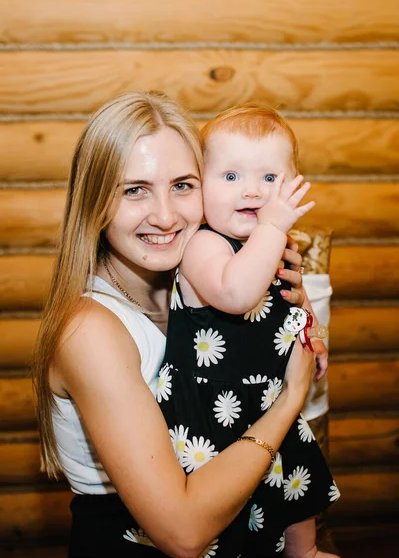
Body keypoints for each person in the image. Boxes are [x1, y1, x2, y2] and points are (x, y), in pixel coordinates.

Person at [32, 91, 316, 558]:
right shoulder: (90, 330)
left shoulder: (196, 286)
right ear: (94, 201)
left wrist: (296, 319)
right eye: (134, 189)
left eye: (183, 185)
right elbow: (182, 535)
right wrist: (289, 403)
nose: (165, 216)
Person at [159, 104, 340, 558]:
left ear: (294, 184)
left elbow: (288, 303)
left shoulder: (273, 244)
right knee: (233, 520)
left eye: (270, 179)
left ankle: (305, 550)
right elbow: (236, 293)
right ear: (201, 186)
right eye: (232, 177)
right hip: (215, 411)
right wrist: (274, 229)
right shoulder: (203, 244)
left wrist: (310, 332)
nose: (253, 192)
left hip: (268, 398)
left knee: (293, 483)